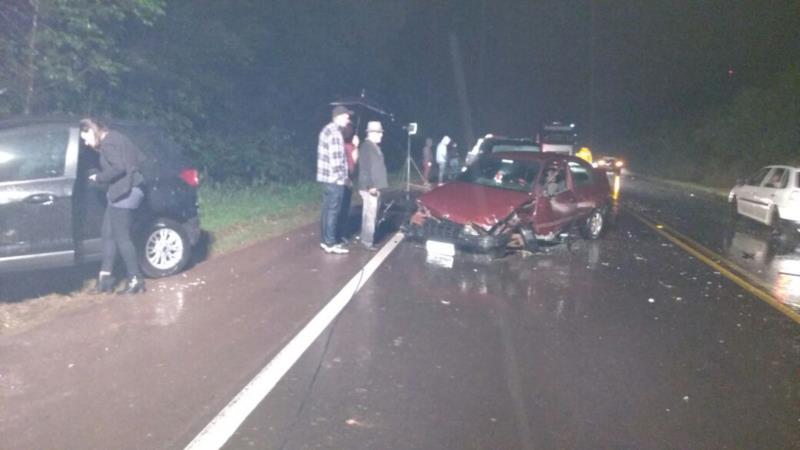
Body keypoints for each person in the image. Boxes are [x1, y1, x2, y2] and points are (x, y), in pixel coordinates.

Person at [80, 117, 147, 294]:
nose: (86, 143)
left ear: (93, 130)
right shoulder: (118, 137)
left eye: (85, 138)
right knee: (108, 233)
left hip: (126, 193)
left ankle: (135, 280)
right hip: (122, 191)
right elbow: (139, 158)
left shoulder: (108, 143)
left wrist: (99, 177)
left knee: (122, 238)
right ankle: (105, 279)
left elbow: (119, 167)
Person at [317, 105, 352, 254]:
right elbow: (337, 159)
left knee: (326, 210)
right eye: (346, 116)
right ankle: (331, 243)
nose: (348, 119)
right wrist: (343, 179)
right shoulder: (336, 134)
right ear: (338, 116)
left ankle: (325, 240)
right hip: (335, 180)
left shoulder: (326, 130)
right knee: (333, 211)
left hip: (325, 178)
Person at [357, 121, 389, 251]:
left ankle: (365, 238)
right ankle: (367, 241)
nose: (381, 135)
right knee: (370, 215)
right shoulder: (366, 147)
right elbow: (364, 168)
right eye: (379, 133)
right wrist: (370, 186)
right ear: (371, 133)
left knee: (369, 214)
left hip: (373, 186)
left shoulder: (373, 146)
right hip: (369, 187)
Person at [338, 124, 360, 244]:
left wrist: (355, 146)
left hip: (347, 179)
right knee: (342, 208)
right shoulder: (344, 145)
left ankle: (340, 234)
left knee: (344, 208)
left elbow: (355, 160)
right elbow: (354, 161)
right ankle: (339, 235)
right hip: (344, 180)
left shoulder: (347, 145)